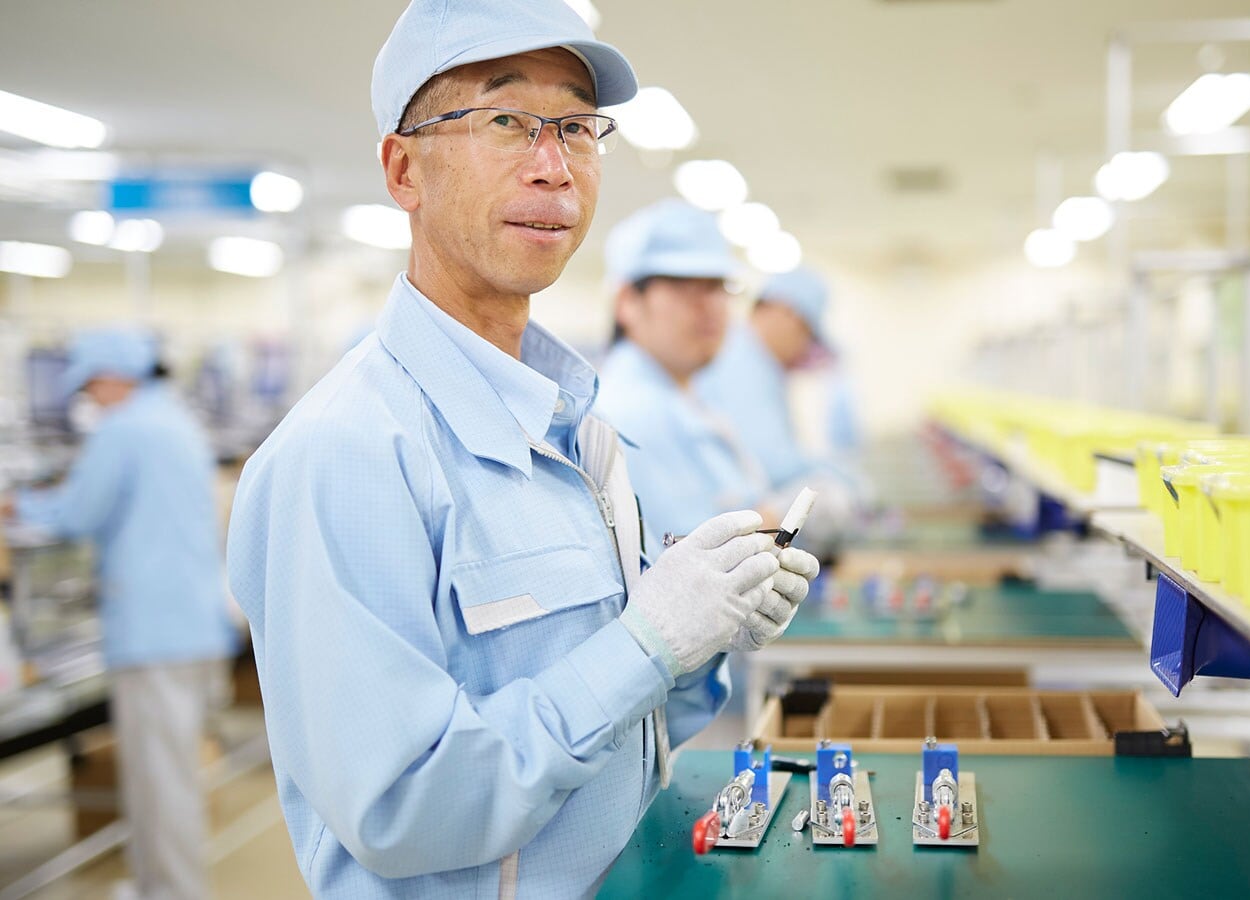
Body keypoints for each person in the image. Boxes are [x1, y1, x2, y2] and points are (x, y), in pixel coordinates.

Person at [225, 2, 819, 896]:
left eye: (577, 128)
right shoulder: (345, 455)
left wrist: (706, 636)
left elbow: (629, 733)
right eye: (506, 121)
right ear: (402, 168)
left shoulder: (578, 433)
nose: (554, 167)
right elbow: (407, 808)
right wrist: (650, 642)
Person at [2, 327, 237, 900]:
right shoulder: (175, 422)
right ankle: (162, 882)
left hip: (154, 630)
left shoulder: (126, 429)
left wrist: (19, 505)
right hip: (190, 621)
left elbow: (77, 514)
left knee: (162, 778)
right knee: (168, 771)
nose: (90, 398)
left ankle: (172, 891)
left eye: (91, 385)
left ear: (113, 377)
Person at [595, 199, 774, 550]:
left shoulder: (688, 395)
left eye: (717, 286)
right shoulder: (627, 415)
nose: (710, 305)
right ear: (627, 302)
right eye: (683, 285)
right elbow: (696, 566)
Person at [696, 267, 865, 556]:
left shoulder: (757, 361)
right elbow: (769, 463)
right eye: (806, 333)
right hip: (726, 528)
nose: (803, 349)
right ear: (786, 312)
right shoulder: (740, 360)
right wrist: (839, 479)